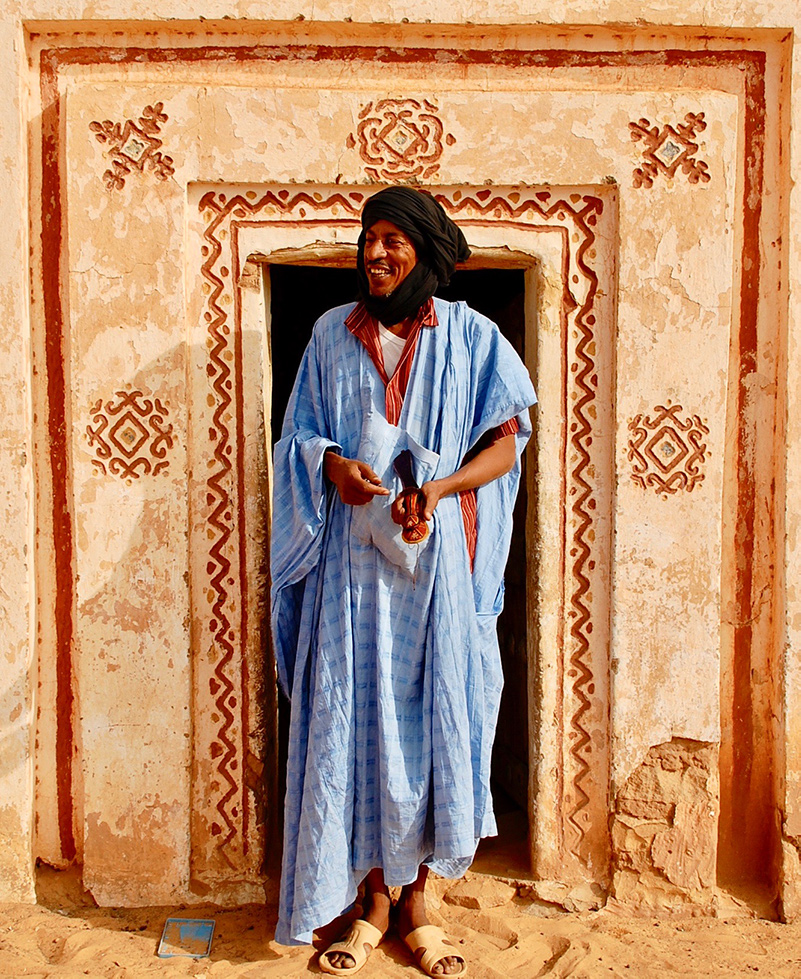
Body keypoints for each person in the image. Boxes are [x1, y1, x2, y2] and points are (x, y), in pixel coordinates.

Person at [271, 186, 537, 977]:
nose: (376, 253)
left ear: (423, 248)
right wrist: (332, 466)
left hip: (434, 578)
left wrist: (442, 488)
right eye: (368, 239)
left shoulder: (471, 336)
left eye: (393, 239)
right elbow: (299, 435)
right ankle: (370, 906)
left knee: (432, 723)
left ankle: (416, 904)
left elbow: (507, 443)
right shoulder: (328, 333)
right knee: (355, 728)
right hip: (349, 579)